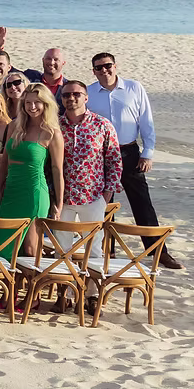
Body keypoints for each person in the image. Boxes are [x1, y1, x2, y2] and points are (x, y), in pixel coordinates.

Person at [87, 53, 181, 268]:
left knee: (142, 203)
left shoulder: (134, 88)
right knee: (103, 205)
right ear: (93, 71)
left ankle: (158, 251)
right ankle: (106, 251)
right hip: (100, 155)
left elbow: (146, 121)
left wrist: (148, 152)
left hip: (129, 153)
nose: (104, 70)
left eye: (107, 65)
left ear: (115, 66)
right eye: (99, 68)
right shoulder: (89, 92)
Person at [0, 83, 64, 261]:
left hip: (34, 192)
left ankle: (31, 280)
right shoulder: (14, 126)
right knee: (2, 248)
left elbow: (57, 170)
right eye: (28, 103)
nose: (32, 107)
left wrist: (59, 203)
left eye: (37, 102)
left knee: (31, 249)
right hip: (10, 192)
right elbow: (5, 162)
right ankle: (9, 279)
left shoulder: (52, 132)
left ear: (46, 104)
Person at [58, 78, 123, 262]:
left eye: (76, 94)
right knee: (61, 249)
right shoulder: (55, 126)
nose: (71, 98)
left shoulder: (102, 125)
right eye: (66, 95)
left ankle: (92, 282)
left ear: (86, 98)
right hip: (62, 197)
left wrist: (106, 194)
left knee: (94, 249)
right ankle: (64, 281)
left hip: (93, 196)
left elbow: (114, 161)